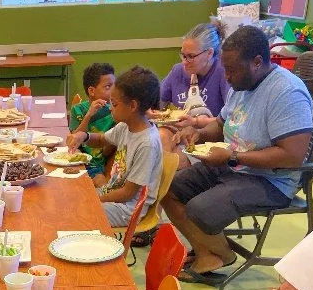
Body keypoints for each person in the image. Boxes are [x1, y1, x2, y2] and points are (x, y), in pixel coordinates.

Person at [163, 25, 313, 286]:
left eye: (231, 70)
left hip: (270, 180)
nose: (227, 77)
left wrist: (233, 157)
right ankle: (211, 253)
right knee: (167, 188)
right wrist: (200, 134)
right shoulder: (241, 84)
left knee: (200, 208)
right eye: (225, 69)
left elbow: (292, 156)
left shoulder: (287, 92)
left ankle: (218, 253)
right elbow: (220, 125)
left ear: (257, 62)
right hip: (234, 166)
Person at [67, 66, 162, 227]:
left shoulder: (147, 143)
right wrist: (84, 136)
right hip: (113, 195)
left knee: (79, 214)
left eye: (114, 104)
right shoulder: (126, 126)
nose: (110, 108)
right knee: (71, 199)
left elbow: (128, 193)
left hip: (128, 208)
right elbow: (101, 139)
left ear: (132, 106)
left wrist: (97, 198)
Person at [157, 21, 231, 167]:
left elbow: (229, 122)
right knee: (161, 137)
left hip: (208, 139)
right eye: (183, 56)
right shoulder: (177, 71)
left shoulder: (224, 73)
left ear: (209, 53)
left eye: (191, 56)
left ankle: (168, 183)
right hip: (181, 133)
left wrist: (195, 122)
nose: (185, 62)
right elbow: (157, 101)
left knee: (175, 159)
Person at [69, 62, 115, 187]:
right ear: (91, 91)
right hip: (83, 160)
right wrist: (88, 116)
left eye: (114, 86)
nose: (113, 91)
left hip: (105, 161)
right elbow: (74, 140)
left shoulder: (115, 111)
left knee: (101, 184)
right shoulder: (78, 110)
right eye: (108, 87)